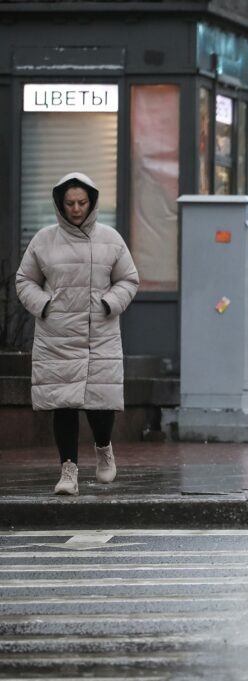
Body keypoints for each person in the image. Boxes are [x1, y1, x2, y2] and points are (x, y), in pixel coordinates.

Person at [16, 172, 139, 495]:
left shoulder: (111, 239)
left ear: (92, 202)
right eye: (69, 203)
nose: (75, 208)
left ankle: (103, 448)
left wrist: (109, 303)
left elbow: (128, 279)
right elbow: (24, 280)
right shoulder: (44, 240)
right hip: (57, 336)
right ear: (60, 203)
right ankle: (68, 470)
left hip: (100, 333)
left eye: (82, 202)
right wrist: (44, 305)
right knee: (64, 404)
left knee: (101, 404)